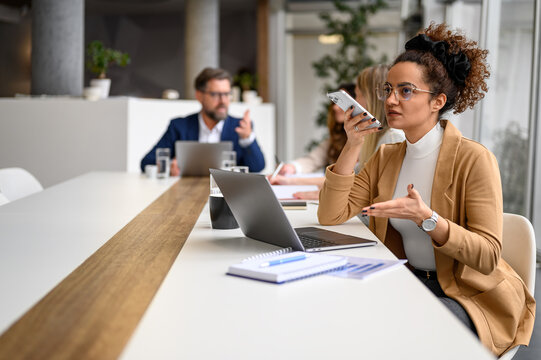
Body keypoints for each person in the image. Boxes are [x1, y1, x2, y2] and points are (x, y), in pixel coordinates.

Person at [318, 23, 535, 356]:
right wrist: (352, 145)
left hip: (466, 295)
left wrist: (429, 219)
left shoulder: (474, 159)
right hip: (408, 282)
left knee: (403, 335)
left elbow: (489, 256)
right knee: (338, 318)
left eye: (405, 91)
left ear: (438, 101)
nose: (390, 100)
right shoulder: (387, 155)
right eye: (388, 89)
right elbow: (331, 214)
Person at [270, 65, 404, 200]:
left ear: (371, 97)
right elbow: (350, 182)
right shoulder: (364, 137)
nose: (353, 103)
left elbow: (358, 187)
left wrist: (297, 184)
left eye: (357, 96)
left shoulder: (391, 138)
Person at [140, 67, 265, 174]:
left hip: (226, 196)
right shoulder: (179, 126)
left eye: (227, 94)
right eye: (216, 94)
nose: (223, 101)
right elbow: (146, 162)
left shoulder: (241, 127)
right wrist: (168, 168)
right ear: (199, 95)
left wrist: (247, 138)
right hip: (186, 194)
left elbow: (257, 168)